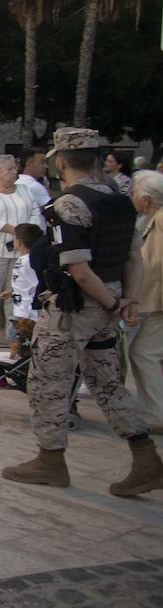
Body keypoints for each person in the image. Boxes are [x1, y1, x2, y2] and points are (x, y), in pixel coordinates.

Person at [2, 128, 163, 496]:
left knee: (46, 382)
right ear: (95, 160)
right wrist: (126, 301)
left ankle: (50, 460)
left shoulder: (69, 206)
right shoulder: (120, 200)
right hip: (110, 304)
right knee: (107, 383)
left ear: (60, 163)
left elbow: (78, 269)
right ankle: (146, 458)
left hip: (74, 309)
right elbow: (133, 257)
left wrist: (107, 301)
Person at [0, 155, 44, 345]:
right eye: (9, 169)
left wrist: (26, 235)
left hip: (22, 250)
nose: (14, 172)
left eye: (15, 168)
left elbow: (35, 214)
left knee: (17, 291)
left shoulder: (25, 190)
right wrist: (17, 231)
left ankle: (13, 335)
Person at [127, 170, 163, 433]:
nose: (132, 196)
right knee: (147, 353)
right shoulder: (153, 220)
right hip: (154, 301)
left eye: (135, 192)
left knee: (144, 352)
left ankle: (156, 414)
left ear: (146, 199)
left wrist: (133, 297)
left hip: (158, 302)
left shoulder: (160, 222)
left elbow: (155, 266)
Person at [2, 223, 43, 360]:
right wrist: (12, 291)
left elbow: (36, 283)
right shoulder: (24, 260)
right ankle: (16, 359)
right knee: (13, 337)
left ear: (19, 242)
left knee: (17, 339)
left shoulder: (29, 262)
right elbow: (23, 282)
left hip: (27, 312)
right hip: (20, 308)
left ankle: (16, 361)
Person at [16, 146, 52, 211]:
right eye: (42, 162)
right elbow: (52, 211)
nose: (46, 166)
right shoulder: (34, 186)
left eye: (46, 163)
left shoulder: (17, 183)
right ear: (29, 163)